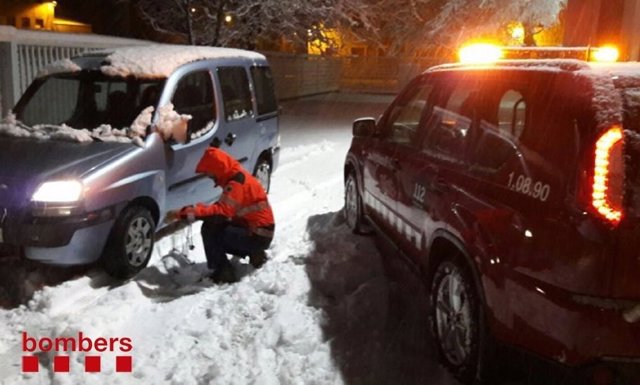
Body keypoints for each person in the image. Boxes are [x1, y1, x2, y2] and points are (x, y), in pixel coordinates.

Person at [168, 147, 274, 283]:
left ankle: (223, 271)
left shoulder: (236, 183)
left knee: (210, 229)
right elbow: (224, 210)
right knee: (220, 225)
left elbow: (219, 213)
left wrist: (183, 213)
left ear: (218, 169)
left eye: (211, 174)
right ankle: (255, 253)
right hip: (261, 232)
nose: (211, 178)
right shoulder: (238, 177)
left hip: (257, 235)